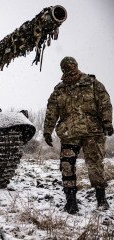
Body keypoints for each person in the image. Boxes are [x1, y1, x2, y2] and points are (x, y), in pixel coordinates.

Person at [43, 56, 113, 214]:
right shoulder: (59, 89)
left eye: (70, 66)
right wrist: (47, 130)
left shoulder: (93, 83)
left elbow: (105, 103)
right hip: (69, 133)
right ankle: (71, 201)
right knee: (67, 166)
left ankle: (101, 199)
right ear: (62, 69)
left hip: (92, 132)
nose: (69, 70)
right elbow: (51, 111)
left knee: (95, 165)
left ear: (76, 66)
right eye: (65, 67)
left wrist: (107, 122)